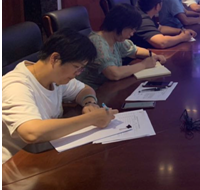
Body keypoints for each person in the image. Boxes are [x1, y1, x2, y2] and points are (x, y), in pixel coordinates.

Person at [2, 29, 118, 164]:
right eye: (76, 67)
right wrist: (91, 118)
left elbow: (85, 89)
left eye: (81, 69)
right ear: (55, 58)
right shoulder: (16, 85)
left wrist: (89, 103)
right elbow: (31, 133)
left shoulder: (55, 77)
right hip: (13, 165)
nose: (78, 73)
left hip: (44, 151)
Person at [76, 4, 167, 89]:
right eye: (132, 29)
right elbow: (114, 74)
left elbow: (135, 50)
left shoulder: (116, 39)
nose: (132, 34)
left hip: (110, 88)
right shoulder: (97, 42)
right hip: (93, 93)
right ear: (120, 25)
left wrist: (154, 56)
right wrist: (144, 64)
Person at [131, 0, 197, 49]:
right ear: (157, 6)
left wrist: (181, 31)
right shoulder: (142, 20)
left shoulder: (143, 11)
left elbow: (160, 28)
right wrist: (182, 37)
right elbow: (162, 43)